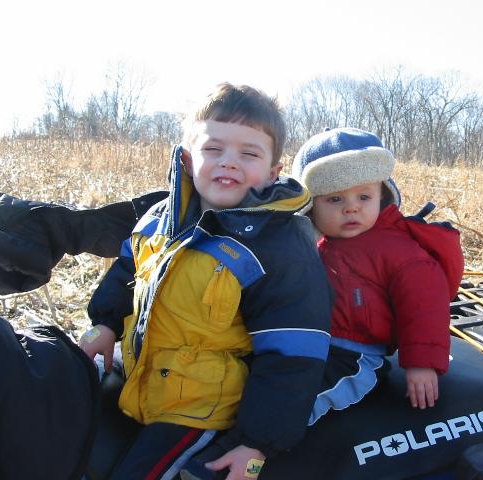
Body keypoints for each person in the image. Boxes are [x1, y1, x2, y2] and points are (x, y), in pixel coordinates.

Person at [80, 83, 332, 480]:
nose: (229, 162)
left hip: (201, 409)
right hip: (139, 380)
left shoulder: (278, 247)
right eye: (213, 149)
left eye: (249, 153)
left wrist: (256, 443)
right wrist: (105, 324)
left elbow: (293, 356)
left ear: (272, 172)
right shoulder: (158, 220)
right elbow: (126, 273)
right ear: (187, 157)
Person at [291, 127, 464, 425]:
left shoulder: (396, 249)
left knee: (298, 404)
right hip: (317, 345)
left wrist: (422, 364)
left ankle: (265, 444)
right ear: (311, 208)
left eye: (363, 196)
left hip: (357, 356)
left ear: (382, 196)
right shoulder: (319, 247)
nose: (351, 208)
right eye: (335, 199)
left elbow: (424, 304)